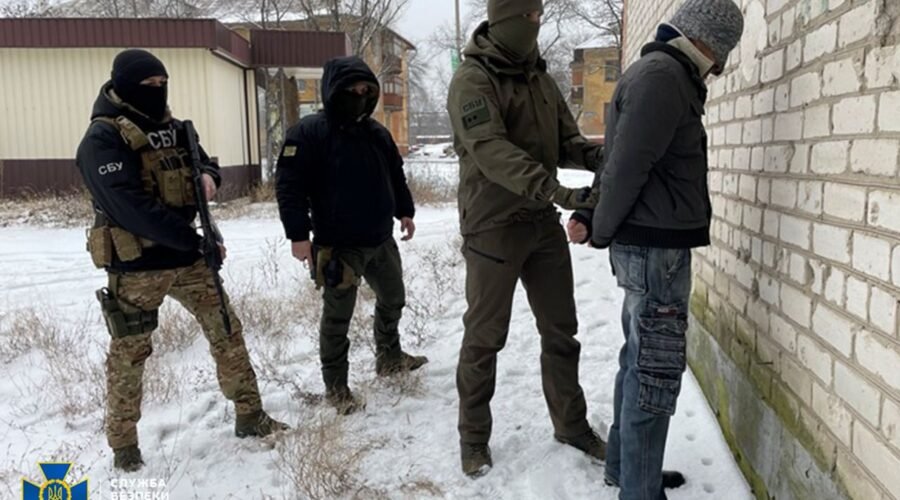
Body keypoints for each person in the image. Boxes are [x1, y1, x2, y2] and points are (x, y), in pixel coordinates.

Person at [75, 49, 288, 472]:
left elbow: (203, 160)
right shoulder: (103, 138)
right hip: (138, 265)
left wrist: (208, 175)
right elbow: (129, 207)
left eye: (162, 84)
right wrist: (190, 242)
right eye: (148, 85)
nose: (157, 91)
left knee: (227, 331)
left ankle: (250, 415)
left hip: (189, 256)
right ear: (125, 86)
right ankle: (124, 446)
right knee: (129, 355)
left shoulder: (173, 128)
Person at [569, 1, 744, 498]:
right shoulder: (664, 78)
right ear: (707, 40)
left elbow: (617, 156)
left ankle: (628, 473)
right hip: (655, 253)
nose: (720, 65)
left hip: (650, 247)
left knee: (639, 362)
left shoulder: (658, 73)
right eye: (722, 52)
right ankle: (639, 491)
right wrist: (599, 226)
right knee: (655, 373)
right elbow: (625, 166)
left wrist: (594, 217)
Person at [447, 0, 606, 478]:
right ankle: (473, 438)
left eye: (539, 17)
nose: (534, 25)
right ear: (502, 20)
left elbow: (566, 141)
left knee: (561, 331)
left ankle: (571, 425)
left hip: (540, 224)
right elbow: (491, 150)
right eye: (526, 18)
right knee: (485, 337)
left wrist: (600, 158)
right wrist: (558, 191)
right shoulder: (473, 80)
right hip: (493, 226)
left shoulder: (541, 79)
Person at [275, 56, 428, 416]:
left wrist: (405, 211)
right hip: (339, 246)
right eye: (352, 90)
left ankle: (389, 357)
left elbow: (396, 175)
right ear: (333, 91)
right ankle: (337, 387)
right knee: (337, 319)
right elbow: (289, 187)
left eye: (366, 90)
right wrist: (298, 235)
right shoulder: (308, 133)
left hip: (381, 239)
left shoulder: (377, 133)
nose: (360, 97)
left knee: (393, 299)